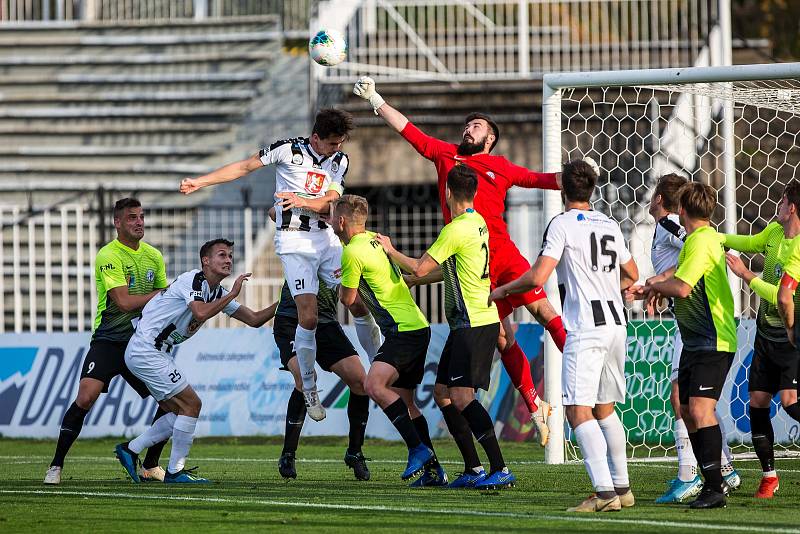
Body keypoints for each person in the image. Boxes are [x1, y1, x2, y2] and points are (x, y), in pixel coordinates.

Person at [353, 76, 587, 443]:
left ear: (490, 137)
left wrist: (581, 176)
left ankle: (584, 377)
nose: (468, 128)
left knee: (544, 314)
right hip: (472, 267)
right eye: (467, 125)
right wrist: (375, 100)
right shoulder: (446, 155)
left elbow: (544, 180)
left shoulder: (502, 166)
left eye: (476, 125)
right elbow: (409, 132)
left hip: (504, 256)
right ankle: (535, 404)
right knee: (501, 338)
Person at [180, 109, 377, 421]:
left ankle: (378, 361)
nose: (337, 149)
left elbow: (332, 202)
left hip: (326, 240)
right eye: (332, 144)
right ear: (316, 138)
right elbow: (245, 166)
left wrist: (300, 201)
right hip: (294, 242)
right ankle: (310, 388)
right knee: (309, 318)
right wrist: (200, 182)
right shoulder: (288, 149)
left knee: (355, 298)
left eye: (340, 144)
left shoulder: (340, 161)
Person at [490, 161, 638, 512]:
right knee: (605, 408)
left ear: (562, 190)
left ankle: (604, 495)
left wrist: (502, 291)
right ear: (592, 189)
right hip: (616, 324)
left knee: (577, 411)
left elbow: (537, 278)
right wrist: (607, 290)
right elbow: (632, 273)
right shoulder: (609, 223)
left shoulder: (561, 224)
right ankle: (623, 489)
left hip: (586, 328)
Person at [378, 165, 516, 490]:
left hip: (473, 322)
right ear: (475, 193)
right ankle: (473, 468)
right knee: (442, 394)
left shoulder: (455, 230)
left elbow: (421, 263)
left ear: (448, 193)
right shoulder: (477, 222)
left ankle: (500, 466)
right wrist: (414, 280)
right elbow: (450, 270)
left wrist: (390, 250)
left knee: (462, 396)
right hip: (469, 322)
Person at [113, 239, 277, 483]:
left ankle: (131, 449)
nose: (228, 260)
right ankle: (175, 471)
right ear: (206, 261)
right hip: (146, 350)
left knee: (181, 412)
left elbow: (253, 319)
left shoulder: (216, 292)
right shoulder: (193, 280)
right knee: (192, 405)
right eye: (222, 255)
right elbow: (200, 312)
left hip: (153, 352)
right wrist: (232, 293)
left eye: (230, 255)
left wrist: (286, 301)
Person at [44, 198, 169, 485]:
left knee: (172, 399)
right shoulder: (108, 255)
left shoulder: (154, 256)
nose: (139, 222)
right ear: (117, 223)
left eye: (141, 217)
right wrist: (163, 294)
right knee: (86, 397)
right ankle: (56, 465)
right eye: (131, 218)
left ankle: (150, 464)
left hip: (141, 343)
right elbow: (124, 303)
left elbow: (163, 306)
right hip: (109, 340)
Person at [632, 174, 739, 503]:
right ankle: (720, 469)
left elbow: (696, 251)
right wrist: (660, 284)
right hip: (690, 320)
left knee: (684, 399)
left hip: (701, 321)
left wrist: (657, 284)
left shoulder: (673, 227)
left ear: (662, 201)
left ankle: (690, 474)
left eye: (653, 196)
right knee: (689, 403)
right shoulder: (675, 232)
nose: (651, 201)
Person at [333, 194, 441, 481]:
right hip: (417, 324)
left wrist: (341, 281)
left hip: (402, 330)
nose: (331, 221)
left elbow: (348, 299)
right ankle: (434, 471)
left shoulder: (352, 252)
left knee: (373, 384)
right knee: (405, 402)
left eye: (333, 216)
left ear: (341, 221)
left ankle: (418, 449)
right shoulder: (374, 239)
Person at [724, 181, 800, 498]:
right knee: (757, 402)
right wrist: (708, 235)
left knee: (789, 401)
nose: (777, 205)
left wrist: (746, 275)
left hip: (791, 337)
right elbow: (744, 241)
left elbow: (784, 296)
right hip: (765, 335)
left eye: (781, 200)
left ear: (792, 207)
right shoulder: (772, 234)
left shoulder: (797, 249)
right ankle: (769, 476)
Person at [273, 278, 371, 481]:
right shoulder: (300, 247)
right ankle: (288, 455)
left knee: (361, 381)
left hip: (326, 323)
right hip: (292, 320)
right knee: (304, 377)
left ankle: (355, 451)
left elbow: (352, 299)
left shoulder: (346, 252)